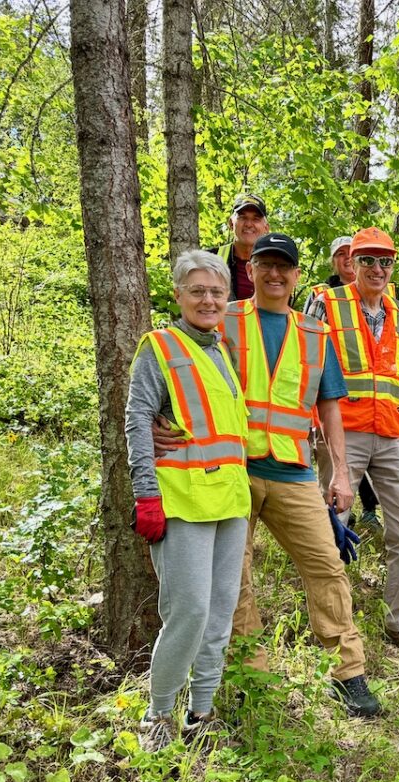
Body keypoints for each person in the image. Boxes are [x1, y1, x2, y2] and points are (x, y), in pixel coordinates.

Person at [158, 232, 382, 715]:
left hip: (295, 471)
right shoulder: (225, 317)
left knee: (326, 566)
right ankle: (249, 678)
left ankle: (349, 675)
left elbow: (329, 406)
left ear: (297, 275)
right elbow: (180, 367)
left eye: (285, 267)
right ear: (251, 269)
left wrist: (340, 474)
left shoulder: (315, 333)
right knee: (234, 581)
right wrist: (158, 418)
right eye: (266, 265)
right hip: (231, 470)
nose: (275, 274)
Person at [126, 250, 251, 752]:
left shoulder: (222, 352)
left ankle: (202, 710)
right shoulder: (160, 346)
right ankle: (158, 716)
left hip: (229, 500)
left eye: (217, 291)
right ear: (177, 295)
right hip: (180, 501)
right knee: (190, 611)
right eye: (197, 290)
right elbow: (137, 419)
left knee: (220, 611)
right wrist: (145, 495)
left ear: (227, 298)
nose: (208, 299)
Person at [314, 227, 399, 657]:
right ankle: (332, 625)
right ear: (352, 262)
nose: (377, 269)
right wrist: (315, 432)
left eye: (385, 261)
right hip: (342, 434)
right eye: (368, 260)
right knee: (332, 528)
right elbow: (309, 370)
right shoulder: (327, 303)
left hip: (393, 435)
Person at [304, 235, 381, 528]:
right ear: (334, 260)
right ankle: (331, 534)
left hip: (373, 409)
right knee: (332, 474)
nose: (347, 258)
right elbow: (309, 353)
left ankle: (370, 511)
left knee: (369, 470)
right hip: (331, 405)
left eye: (352, 253)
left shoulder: (382, 296)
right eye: (340, 254)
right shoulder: (322, 296)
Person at [206, 193, 269, 301]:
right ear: (231, 223)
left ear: (266, 228)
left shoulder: (275, 265)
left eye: (256, 219)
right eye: (242, 217)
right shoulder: (208, 260)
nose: (249, 224)